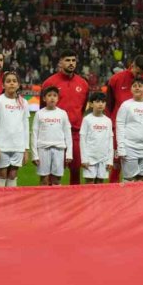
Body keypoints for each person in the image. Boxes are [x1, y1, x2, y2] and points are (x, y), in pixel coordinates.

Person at [42, 48, 89, 185]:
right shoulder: (49, 83)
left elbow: (82, 108)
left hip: (75, 134)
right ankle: (51, 197)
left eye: (73, 60)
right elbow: (43, 109)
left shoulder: (83, 84)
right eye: (67, 60)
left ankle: (75, 198)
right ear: (60, 63)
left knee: (76, 170)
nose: (71, 63)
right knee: (52, 173)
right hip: (55, 134)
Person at [106, 54, 143, 182]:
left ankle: (137, 193)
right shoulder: (116, 79)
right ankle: (113, 191)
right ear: (132, 65)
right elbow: (109, 105)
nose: (140, 76)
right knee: (116, 164)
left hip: (140, 133)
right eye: (138, 72)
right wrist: (110, 126)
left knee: (141, 170)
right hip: (119, 129)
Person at [116, 78, 143, 182]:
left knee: (142, 178)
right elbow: (120, 126)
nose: (137, 88)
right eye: (134, 86)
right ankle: (127, 193)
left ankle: (140, 194)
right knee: (129, 179)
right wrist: (121, 147)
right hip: (129, 147)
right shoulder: (126, 105)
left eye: (140, 86)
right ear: (131, 89)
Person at [0, 71, 30, 188]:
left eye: (14, 81)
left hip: (18, 146)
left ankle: (11, 199)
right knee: (1, 175)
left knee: (13, 175)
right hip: (2, 146)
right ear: (3, 85)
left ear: (18, 85)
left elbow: (25, 126)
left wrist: (26, 149)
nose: (12, 83)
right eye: (8, 81)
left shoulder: (23, 102)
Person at [32, 86, 73, 186]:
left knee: (57, 180)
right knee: (44, 180)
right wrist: (34, 154)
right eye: (49, 95)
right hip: (43, 149)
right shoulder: (39, 114)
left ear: (58, 98)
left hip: (59, 149)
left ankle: (57, 197)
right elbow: (34, 134)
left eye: (55, 95)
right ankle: (43, 196)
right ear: (44, 98)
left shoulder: (62, 114)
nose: (52, 98)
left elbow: (68, 134)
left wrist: (69, 153)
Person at [80, 92, 114, 184]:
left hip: (103, 159)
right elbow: (82, 140)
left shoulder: (108, 121)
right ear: (91, 104)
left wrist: (110, 160)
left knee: (100, 184)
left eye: (103, 102)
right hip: (90, 158)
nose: (100, 104)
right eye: (98, 101)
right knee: (89, 183)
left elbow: (110, 141)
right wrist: (84, 159)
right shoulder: (87, 119)